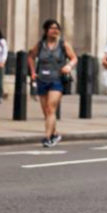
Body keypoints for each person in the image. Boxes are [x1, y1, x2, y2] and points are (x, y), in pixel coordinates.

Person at [27, 19, 77, 148]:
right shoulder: (40, 45)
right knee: (46, 111)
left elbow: (74, 58)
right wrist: (32, 72)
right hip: (42, 79)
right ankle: (54, 134)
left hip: (57, 80)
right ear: (46, 30)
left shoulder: (63, 44)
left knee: (50, 108)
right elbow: (31, 56)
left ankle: (47, 137)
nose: (55, 31)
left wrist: (69, 66)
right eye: (52, 28)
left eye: (57, 28)